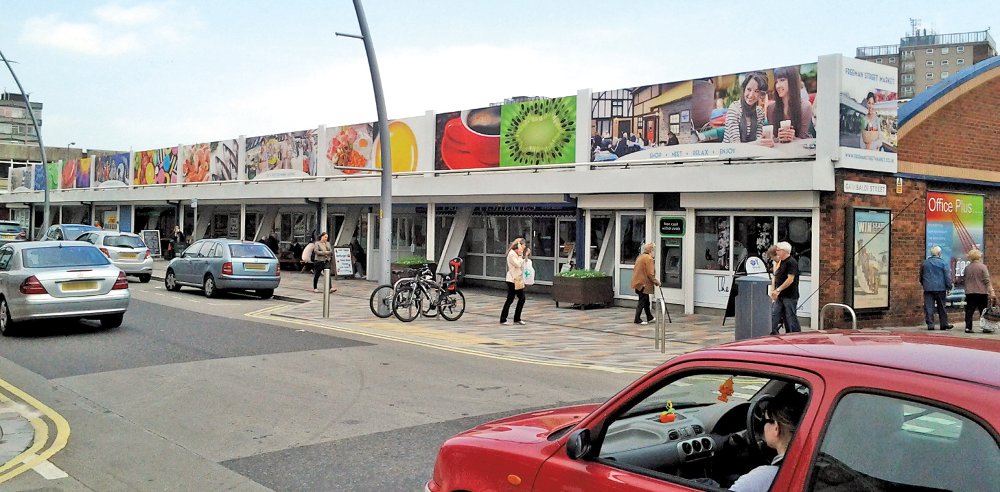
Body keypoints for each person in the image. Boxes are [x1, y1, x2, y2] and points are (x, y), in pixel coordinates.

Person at [728, 391, 807, 492]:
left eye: (764, 421)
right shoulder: (820, 467)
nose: (763, 427)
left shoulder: (763, 478)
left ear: (776, 427)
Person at [723, 72, 774, 147]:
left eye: (756, 91)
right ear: (744, 89)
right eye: (749, 89)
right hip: (730, 155)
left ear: (760, 94)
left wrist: (767, 141)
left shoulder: (759, 112)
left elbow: (759, 139)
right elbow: (735, 145)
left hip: (751, 154)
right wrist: (758, 143)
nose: (751, 95)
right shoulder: (734, 109)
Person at [766, 66, 814, 143]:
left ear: (792, 82)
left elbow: (804, 138)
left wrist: (793, 138)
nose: (778, 86)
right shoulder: (771, 108)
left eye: (782, 80)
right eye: (776, 82)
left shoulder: (805, 107)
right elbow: (773, 138)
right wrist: (778, 138)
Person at [769, 242, 801, 333]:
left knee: (790, 316)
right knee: (775, 313)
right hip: (780, 295)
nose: (777, 252)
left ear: (784, 251)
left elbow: (790, 279)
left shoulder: (791, 262)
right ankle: (770, 331)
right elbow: (776, 276)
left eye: (778, 250)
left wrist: (778, 290)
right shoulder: (781, 262)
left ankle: (795, 334)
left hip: (789, 295)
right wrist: (774, 290)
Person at [920, 245, 953, 330]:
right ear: (939, 253)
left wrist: (923, 284)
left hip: (928, 288)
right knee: (942, 307)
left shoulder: (925, 263)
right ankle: (944, 324)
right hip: (940, 288)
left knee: (929, 307)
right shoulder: (943, 263)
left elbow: (921, 275)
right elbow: (947, 277)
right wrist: (949, 287)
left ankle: (930, 324)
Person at [962, 248, 994, 333]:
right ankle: (985, 327)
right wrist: (991, 290)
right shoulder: (983, 267)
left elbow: (964, 279)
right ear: (979, 257)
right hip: (982, 292)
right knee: (983, 310)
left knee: (969, 310)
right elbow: (987, 280)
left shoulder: (967, 268)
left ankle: (968, 327)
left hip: (970, 292)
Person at [499, 237, 530, 326]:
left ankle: (517, 318)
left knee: (522, 298)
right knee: (510, 299)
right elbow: (518, 264)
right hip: (512, 279)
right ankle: (503, 319)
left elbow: (523, 264)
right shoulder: (512, 254)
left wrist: (525, 256)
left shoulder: (517, 254)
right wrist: (521, 256)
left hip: (518, 279)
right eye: (522, 247)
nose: (523, 249)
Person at [631, 242, 659, 325]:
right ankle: (637, 319)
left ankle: (649, 317)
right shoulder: (649, 259)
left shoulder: (640, 257)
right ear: (651, 250)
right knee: (642, 301)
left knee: (646, 301)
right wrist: (656, 281)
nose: (654, 252)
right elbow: (650, 273)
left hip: (638, 283)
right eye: (654, 250)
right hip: (643, 284)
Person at [766, 245, 785, 333]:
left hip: (783, 293)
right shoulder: (776, 264)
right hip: (776, 293)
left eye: (772, 257)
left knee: (781, 314)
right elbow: (774, 278)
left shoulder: (784, 263)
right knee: (775, 313)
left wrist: (777, 291)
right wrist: (772, 292)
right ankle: (772, 330)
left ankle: (772, 330)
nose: (772, 259)